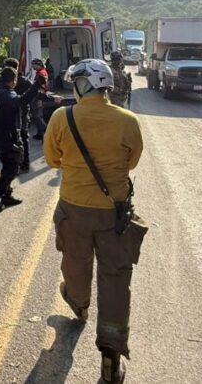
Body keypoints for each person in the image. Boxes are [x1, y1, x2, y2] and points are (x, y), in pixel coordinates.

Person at [44, 58, 146, 384]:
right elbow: (132, 162)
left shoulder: (63, 116)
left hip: (73, 209)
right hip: (114, 214)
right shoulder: (127, 120)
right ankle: (110, 361)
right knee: (115, 280)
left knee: (75, 264)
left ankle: (78, 303)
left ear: (83, 85)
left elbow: (51, 159)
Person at [0, 66, 55, 212]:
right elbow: (20, 101)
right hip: (7, 135)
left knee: (8, 165)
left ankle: (6, 195)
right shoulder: (5, 93)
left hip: (0, 133)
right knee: (11, 167)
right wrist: (37, 85)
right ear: (14, 80)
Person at [30, 57, 51, 140]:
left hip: (39, 96)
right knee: (37, 115)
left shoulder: (41, 73)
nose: (32, 67)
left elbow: (41, 87)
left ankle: (46, 131)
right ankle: (40, 133)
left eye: (33, 65)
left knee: (38, 116)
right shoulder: (41, 72)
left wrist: (39, 99)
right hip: (39, 96)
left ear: (38, 64)